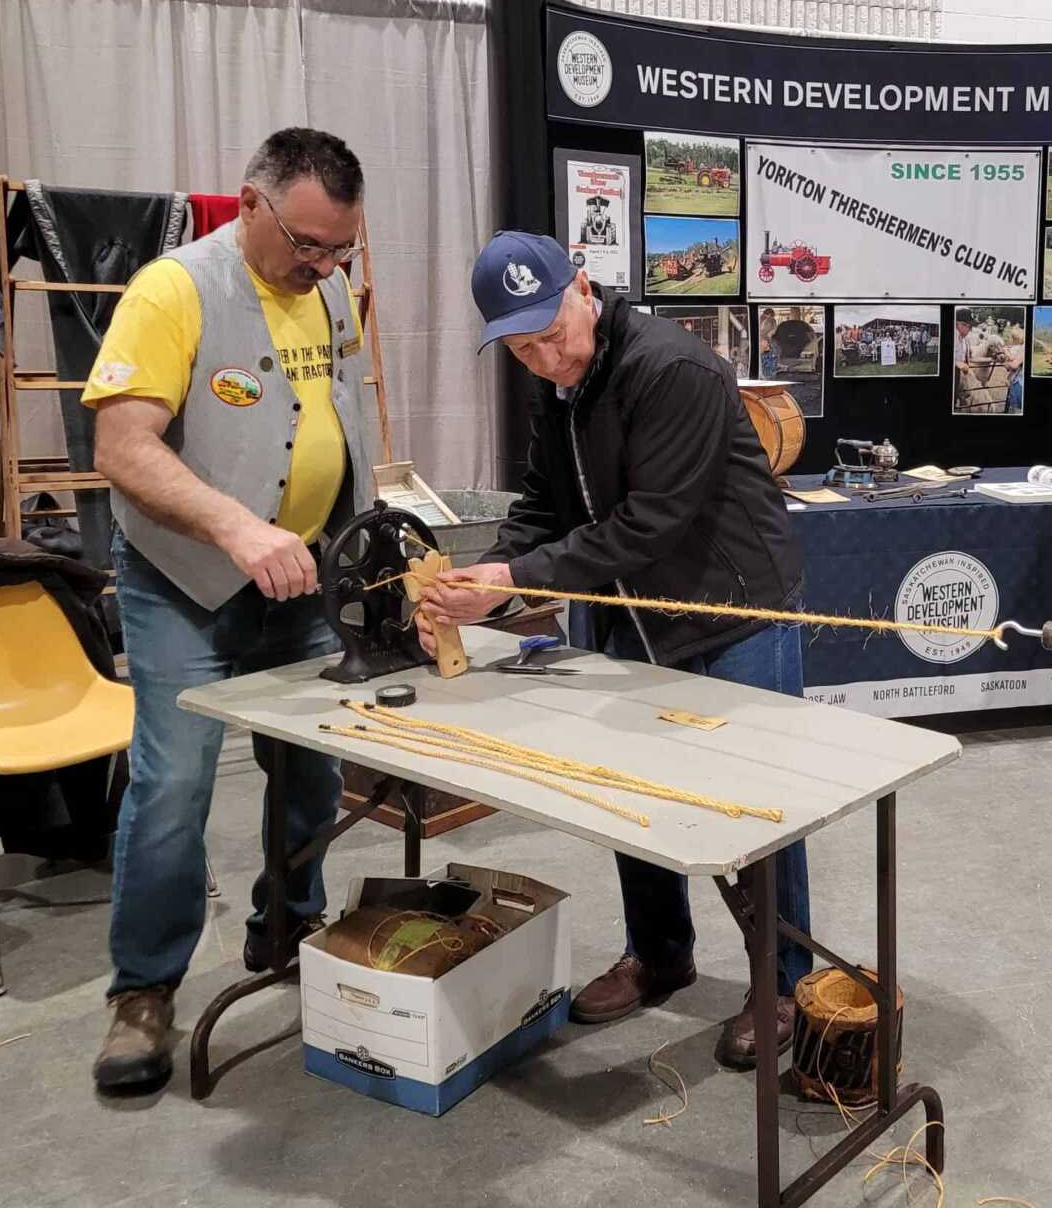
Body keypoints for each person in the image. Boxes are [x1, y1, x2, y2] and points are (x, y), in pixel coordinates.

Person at [419, 232, 810, 1071]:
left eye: (552, 332)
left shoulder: (672, 370)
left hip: (731, 613)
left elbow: (650, 523)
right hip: (624, 618)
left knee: (759, 808)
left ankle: (780, 982)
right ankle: (661, 953)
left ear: (583, 289)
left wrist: (513, 578)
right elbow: (543, 502)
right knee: (629, 793)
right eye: (522, 346)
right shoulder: (553, 382)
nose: (545, 355)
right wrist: (491, 570)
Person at [85, 128, 376, 1094]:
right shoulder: (174, 290)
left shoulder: (328, 288)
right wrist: (238, 529)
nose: (326, 267)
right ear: (250, 204)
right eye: (308, 245)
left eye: (342, 250)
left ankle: (286, 924)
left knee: (310, 776)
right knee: (173, 788)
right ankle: (144, 990)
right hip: (187, 586)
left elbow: (333, 420)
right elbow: (123, 451)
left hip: (304, 584)